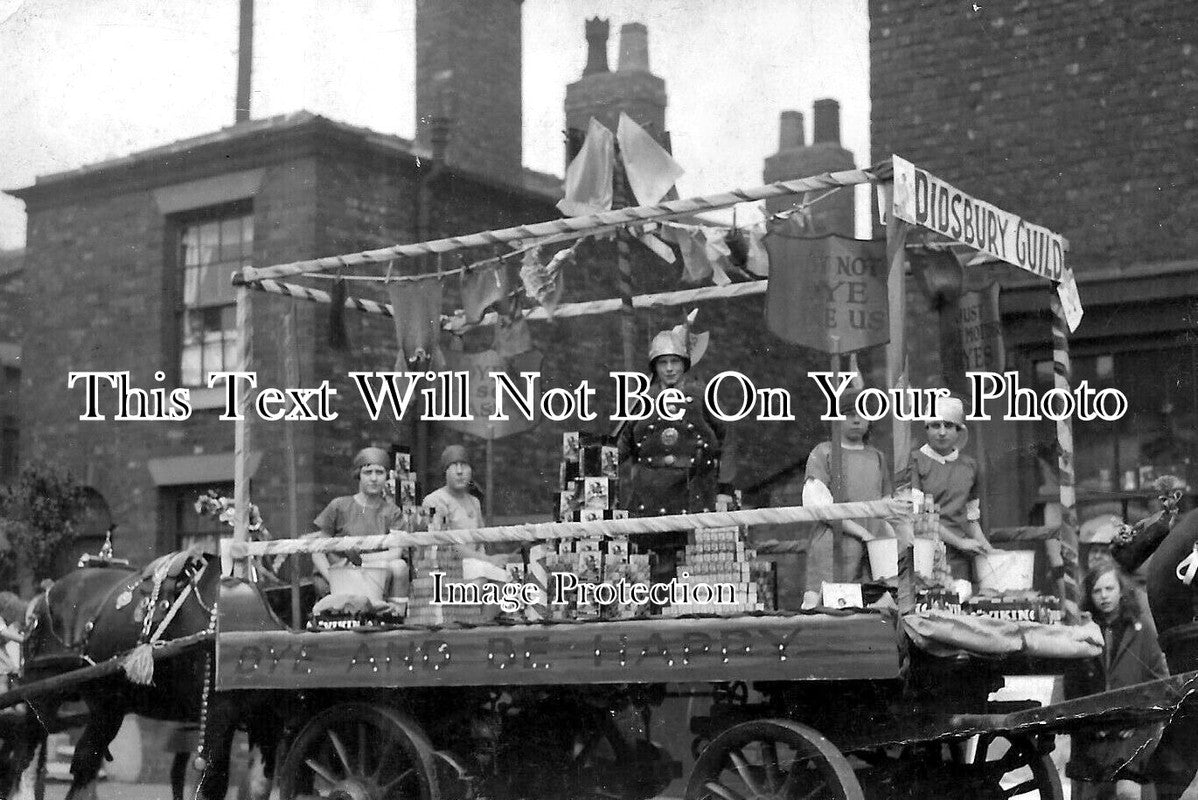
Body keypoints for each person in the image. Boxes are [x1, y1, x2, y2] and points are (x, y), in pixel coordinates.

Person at [1067, 564, 1168, 800]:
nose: (1104, 596)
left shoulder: (1141, 628)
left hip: (1133, 734)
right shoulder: (1083, 632)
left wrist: (1137, 719)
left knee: (1128, 793)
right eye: (1097, 591)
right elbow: (1072, 688)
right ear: (1090, 597)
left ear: (1121, 590)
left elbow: (1159, 682)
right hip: (1095, 735)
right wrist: (1092, 723)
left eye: (1109, 588)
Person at [617, 318, 731, 517]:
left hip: (696, 492)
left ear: (684, 364)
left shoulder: (702, 396)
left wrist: (725, 488)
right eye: (663, 362)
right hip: (650, 497)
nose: (669, 368)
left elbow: (727, 439)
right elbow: (621, 447)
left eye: (675, 361)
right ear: (655, 366)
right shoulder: (642, 401)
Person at [802, 391, 893, 600]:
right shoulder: (823, 453)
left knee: (873, 608)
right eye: (848, 413)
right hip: (833, 547)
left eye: (862, 413)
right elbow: (819, 506)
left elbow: (885, 505)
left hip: (872, 550)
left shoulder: (877, 457)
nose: (856, 419)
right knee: (824, 607)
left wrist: (887, 539)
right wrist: (862, 533)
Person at [907, 394, 995, 579]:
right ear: (926, 428)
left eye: (948, 426)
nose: (941, 432)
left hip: (959, 561)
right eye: (935, 425)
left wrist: (989, 550)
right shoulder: (914, 461)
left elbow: (971, 519)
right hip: (925, 555)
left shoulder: (969, 466)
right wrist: (960, 542)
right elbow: (919, 515)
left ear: (958, 430)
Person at [310, 446, 408, 611]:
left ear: (387, 477)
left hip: (376, 576)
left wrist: (361, 561)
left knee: (399, 566)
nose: (374, 478)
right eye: (368, 473)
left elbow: (395, 553)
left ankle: (395, 616)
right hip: (340, 577)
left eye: (380, 472)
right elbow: (317, 550)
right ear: (358, 475)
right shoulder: (339, 506)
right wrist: (332, 577)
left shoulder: (392, 512)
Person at [422, 445, 511, 582]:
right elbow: (446, 546)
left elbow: (481, 541)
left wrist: (490, 561)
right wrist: (487, 560)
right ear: (445, 472)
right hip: (446, 568)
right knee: (482, 574)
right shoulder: (434, 500)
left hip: (476, 563)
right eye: (453, 466)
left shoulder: (474, 501)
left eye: (463, 465)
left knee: (512, 575)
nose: (459, 471)